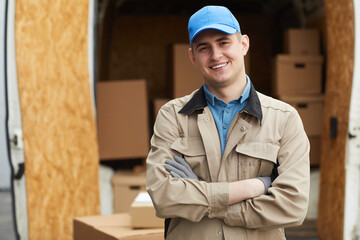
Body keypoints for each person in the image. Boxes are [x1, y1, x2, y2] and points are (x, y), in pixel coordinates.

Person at [146, 5, 310, 240]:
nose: (215, 55)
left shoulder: (284, 119)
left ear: (243, 44)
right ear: (193, 56)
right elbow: (163, 197)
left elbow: (293, 207)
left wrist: (203, 196)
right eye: (204, 48)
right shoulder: (173, 116)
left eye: (224, 42)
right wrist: (253, 187)